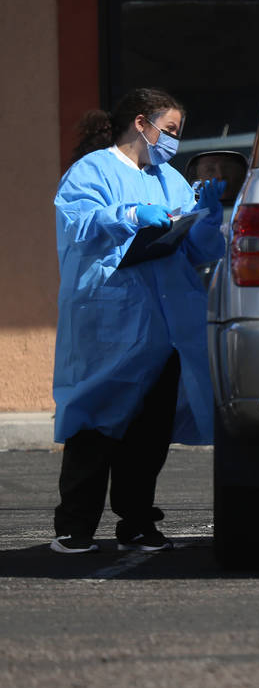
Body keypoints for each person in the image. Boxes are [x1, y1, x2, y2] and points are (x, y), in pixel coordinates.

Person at [50, 88, 225, 554]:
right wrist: (130, 213)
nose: (172, 141)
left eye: (177, 134)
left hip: (163, 326)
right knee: (95, 423)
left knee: (148, 432)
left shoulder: (169, 178)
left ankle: (138, 521)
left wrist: (206, 220)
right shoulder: (91, 171)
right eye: (168, 130)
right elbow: (77, 224)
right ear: (141, 123)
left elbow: (200, 251)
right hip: (110, 318)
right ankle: (75, 527)